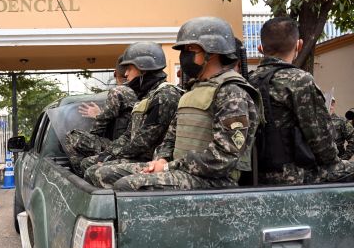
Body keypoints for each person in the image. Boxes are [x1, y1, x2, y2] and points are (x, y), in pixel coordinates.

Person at [86, 17, 261, 191]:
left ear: (212, 52)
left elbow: (223, 157)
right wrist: (161, 160)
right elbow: (170, 139)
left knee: (127, 185)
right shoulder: (193, 90)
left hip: (213, 179)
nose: (184, 55)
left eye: (190, 49)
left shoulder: (232, 92)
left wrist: (169, 167)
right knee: (99, 173)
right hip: (180, 170)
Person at [248, 17, 354, 185]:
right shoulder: (299, 80)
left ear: (261, 48)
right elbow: (323, 146)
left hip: (254, 174)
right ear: (299, 45)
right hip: (294, 176)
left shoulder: (247, 80)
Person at [81, 41, 182, 176]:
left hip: (152, 161)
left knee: (95, 172)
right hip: (137, 155)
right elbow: (129, 135)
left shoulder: (165, 95)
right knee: (87, 163)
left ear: (143, 68)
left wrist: (111, 156)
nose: (126, 74)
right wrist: (107, 153)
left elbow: (143, 142)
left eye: (129, 68)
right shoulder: (148, 95)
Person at [64, 56, 138, 175]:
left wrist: (98, 116)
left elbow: (99, 127)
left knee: (72, 136)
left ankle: (81, 175)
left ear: (115, 73)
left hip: (121, 147)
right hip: (138, 147)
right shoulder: (143, 91)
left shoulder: (119, 91)